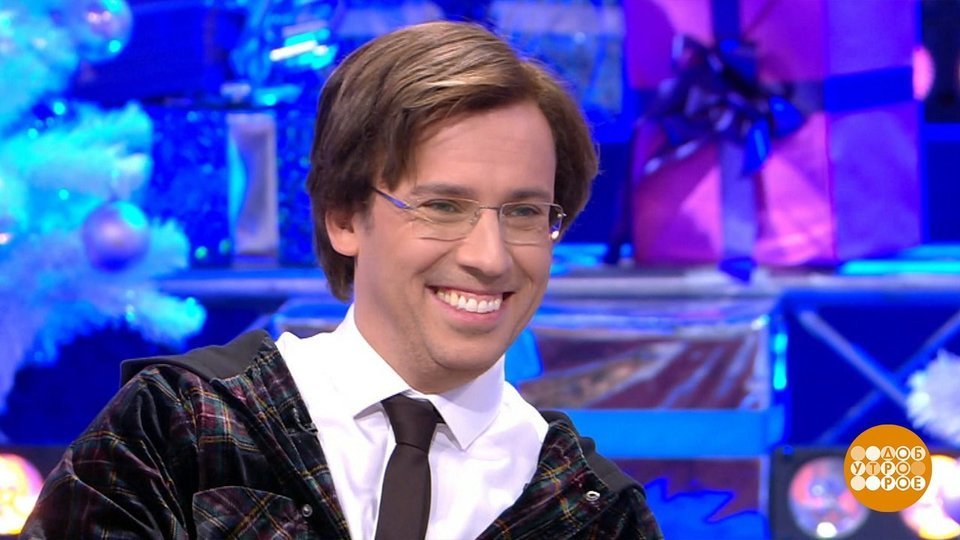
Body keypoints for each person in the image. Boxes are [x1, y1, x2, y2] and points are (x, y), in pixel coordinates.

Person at [22, 21, 663, 539]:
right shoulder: (183, 427)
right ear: (343, 217)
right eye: (443, 206)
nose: (491, 258)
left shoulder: (590, 511)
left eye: (524, 212)